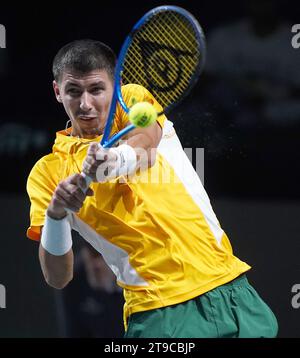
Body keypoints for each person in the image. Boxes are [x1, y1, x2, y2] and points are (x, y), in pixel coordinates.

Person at [26, 39, 278, 338]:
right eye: (73, 91)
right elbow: (57, 277)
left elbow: (145, 146)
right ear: (58, 91)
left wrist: (112, 159)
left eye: (96, 89)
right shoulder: (48, 173)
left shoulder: (133, 100)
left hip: (232, 289)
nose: (85, 104)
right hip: (160, 314)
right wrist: (56, 214)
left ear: (116, 85)